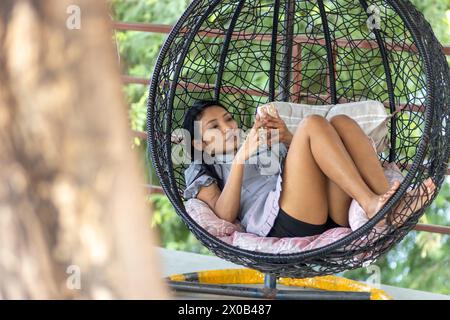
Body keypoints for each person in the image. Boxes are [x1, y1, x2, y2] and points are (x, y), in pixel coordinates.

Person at [182, 99, 436, 238]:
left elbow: (312, 162)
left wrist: (287, 138)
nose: (228, 128)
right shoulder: (202, 168)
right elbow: (224, 216)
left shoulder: (258, 141)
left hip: (325, 211)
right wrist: (239, 159)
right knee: (313, 123)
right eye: (214, 127)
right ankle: (370, 203)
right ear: (200, 143)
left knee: (341, 122)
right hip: (284, 221)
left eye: (228, 119)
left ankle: (390, 207)